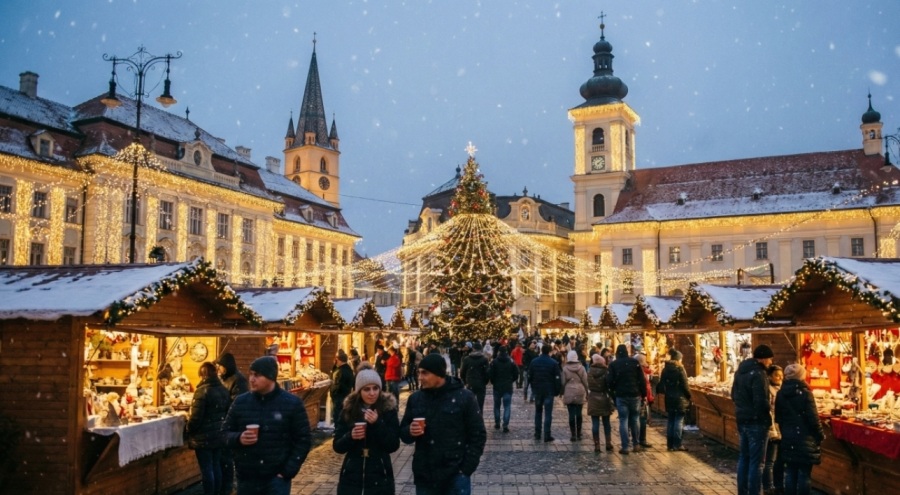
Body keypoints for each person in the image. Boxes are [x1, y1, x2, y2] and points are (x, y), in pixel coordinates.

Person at [223, 356, 312, 494]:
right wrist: (238, 438)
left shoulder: (292, 403)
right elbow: (224, 434)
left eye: (257, 375)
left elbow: (304, 439)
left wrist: (287, 471)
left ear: (270, 377)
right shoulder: (240, 402)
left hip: (276, 479)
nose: (251, 379)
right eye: (251, 374)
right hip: (247, 479)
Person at [400, 353, 486, 495]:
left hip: (455, 474)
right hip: (425, 474)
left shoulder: (464, 397)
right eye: (419, 373)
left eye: (425, 373)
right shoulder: (416, 399)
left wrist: (466, 469)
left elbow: (478, 434)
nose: (420, 377)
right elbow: (403, 434)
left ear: (439, 374)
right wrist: (409, 430)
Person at [332, 368, 400, 495]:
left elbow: (393, 445)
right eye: (366, 389)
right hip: (352, 476)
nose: (372, 393)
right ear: (359, 391)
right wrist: (350, 436)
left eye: (375, 388)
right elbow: (337, 446)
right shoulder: (349, 410)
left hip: (380, 474)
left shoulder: (387, 410)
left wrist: (377, 424)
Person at [732, 344, 775, 495]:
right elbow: (761, 401)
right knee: (757, 463)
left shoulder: (740, 372)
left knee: (744, 458)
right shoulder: (759, 374)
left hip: (742, 420)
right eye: (769, 359)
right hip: (756, 423)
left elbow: (734, 396)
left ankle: (743, 492)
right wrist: (766, 418)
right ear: (763, 359)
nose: (770, 362)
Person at [775, 364, 823, 495]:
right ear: (801, 376)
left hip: (788, 437)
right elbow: (813, 419)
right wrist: (820, 435)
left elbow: (778, 417)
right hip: (805, 438)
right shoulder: (806, 394)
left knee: (790, 472)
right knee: (804, 474)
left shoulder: (781, 393)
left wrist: (786, 431)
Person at [187, 362, 230, 495]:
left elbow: (196, 418)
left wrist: (189, 429)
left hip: (204, 437)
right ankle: (217, 492)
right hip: (218, 435)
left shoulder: (202, 391)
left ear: (203, 375)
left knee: (207, 469)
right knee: (215, 465)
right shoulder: (223, 389)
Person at [216, 352, 248, 495]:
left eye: (221, 366)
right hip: (225, 422)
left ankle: (228, 487)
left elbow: (237, 403)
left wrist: (223, 404)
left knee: (228, 457)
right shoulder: (224, 378)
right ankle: (226, 486)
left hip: (232, 424)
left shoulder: (237, 380)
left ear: (227, 366)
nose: (219, 369)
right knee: (224, 457)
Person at [607, 344, 645, 454]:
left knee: (623, 420)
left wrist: (613, 393)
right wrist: (643, 394)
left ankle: (625, 446)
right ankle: (636, 444)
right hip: (634, 394)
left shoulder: (614, 365)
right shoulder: (634, 363)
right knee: (635, 419)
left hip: (621, 395)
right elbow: (641, 379)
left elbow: (609, 381)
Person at [658, 349, 691, 452]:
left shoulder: (665, 369)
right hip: (680, 398)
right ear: (679, 359)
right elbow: (685, 385)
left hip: (669, 397)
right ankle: (677, 444)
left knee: (671, 420)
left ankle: (670, 444)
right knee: (679, 421)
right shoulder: (680, 369)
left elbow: (662, 384)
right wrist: (689, 396)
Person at [527, 343, 561, 442]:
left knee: (538, 412)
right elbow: (557, 379)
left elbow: (530, 376)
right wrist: (557, 390)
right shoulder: (553, 362)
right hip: (549, 390)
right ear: (549, 351)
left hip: (537, 390)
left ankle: (537, 433)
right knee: (548, 413)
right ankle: (547, 434)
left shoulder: (534, 361)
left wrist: (532, 387)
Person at [587, 354, 615, 452]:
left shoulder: (589, 372)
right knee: (606, 422)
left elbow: (588, 385)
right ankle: (608, 443)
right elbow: (609, 384)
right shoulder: (606, 372)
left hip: (593, 397)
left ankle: (597, 445)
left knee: (595, 423)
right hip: (604, 397)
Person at [763, 365, 784, 495]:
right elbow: (770, 412)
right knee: (770, 460)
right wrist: (772, 431)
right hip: (773, 429)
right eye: (777, 375)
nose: (780, 378)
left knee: (778, 460)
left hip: (780, 429)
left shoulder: (780, 390)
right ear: (770, 376)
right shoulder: (769, 391)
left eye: (781, 376)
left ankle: (777, 485)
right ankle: (768, 487)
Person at [488, 345, 518, 432]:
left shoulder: (494, 362)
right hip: (507, 387)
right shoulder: (511, 361)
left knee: (496, 406)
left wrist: (493, 381)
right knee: (507, 406)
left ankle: (497, 423)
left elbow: (491, 374)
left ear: (498, 352)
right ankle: (505, 424)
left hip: (497, 386)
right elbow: (516, 373)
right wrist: (511, 380)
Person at [562, 350, 589, 442]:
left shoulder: (565, 368)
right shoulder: (581, 368)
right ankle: (579, 433)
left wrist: (562, 392)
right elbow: (585, 381)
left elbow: (563, 382)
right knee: (579, 413)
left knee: (571, 413)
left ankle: (573, 434)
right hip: (580, 391)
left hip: (569, 391)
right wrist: (587, 391)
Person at [460, 342, 490, 415]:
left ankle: (470, 420)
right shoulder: (484, 359)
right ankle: (479, 419)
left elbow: (462, 372)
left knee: (470, 404)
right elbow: (487, 373)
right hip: (481, 383)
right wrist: (485, 382)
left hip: (470, 382)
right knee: (480, 405)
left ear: (473, 349)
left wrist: (465, 381)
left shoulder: (467, 359)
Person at [635, 354, 654, 448]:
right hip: (642, 398)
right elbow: (645, 386)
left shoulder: (639, 370)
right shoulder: (641, 371)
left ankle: (637, 439)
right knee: (641, 419)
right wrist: (645, 396)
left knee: (638, 419)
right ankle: (641, 439)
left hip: (639, 397)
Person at [331, 350, 355, 427]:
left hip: (339, 397)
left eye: (336, 360)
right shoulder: (349, 369)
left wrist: (333, 393)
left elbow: (338, 385)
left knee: (338, 416)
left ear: (339, 360)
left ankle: (338, 431)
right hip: (346, 395)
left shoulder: (341, 371)